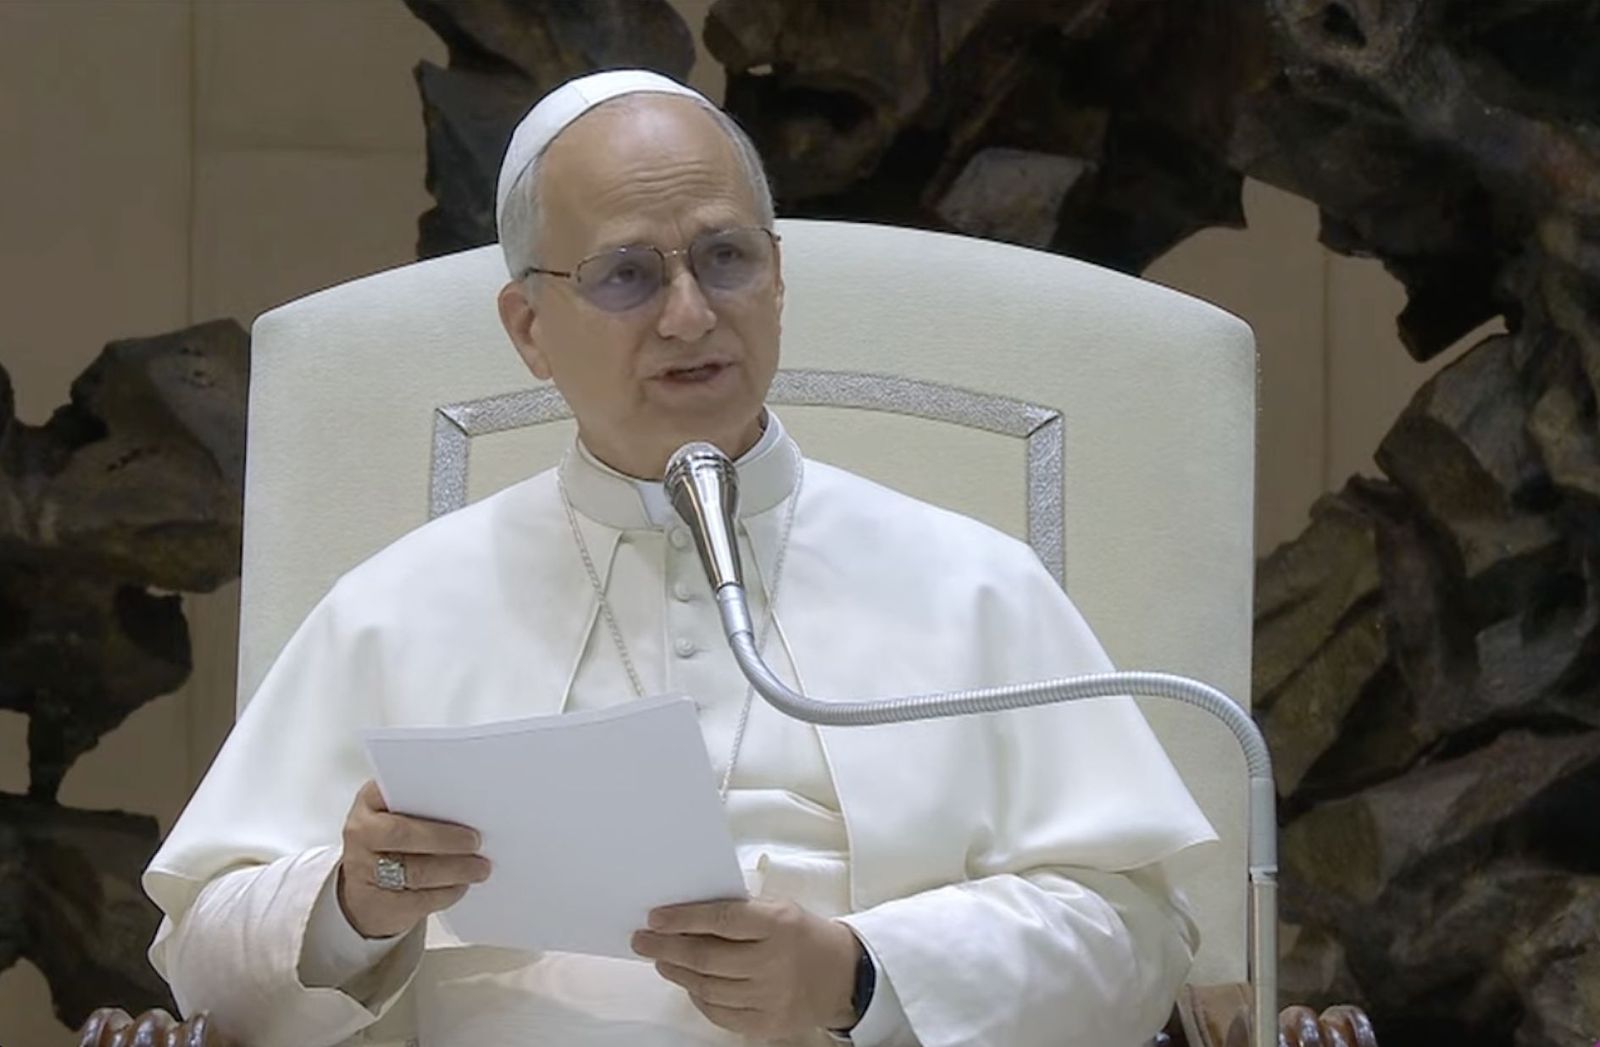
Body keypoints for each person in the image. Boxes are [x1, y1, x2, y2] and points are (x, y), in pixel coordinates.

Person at [144, 70, 1216, 1047]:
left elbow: (1136, 940)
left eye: (724, 257)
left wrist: (858, 977)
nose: (690, 315)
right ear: (528, 327)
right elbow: (205, 974)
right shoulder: (397, 608)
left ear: (779, 277)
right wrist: (352, 904)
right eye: (625, 276)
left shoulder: (973, 585)